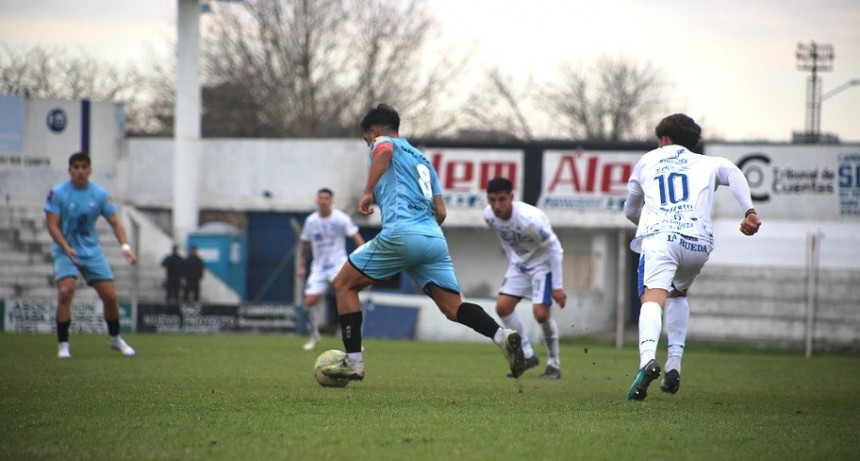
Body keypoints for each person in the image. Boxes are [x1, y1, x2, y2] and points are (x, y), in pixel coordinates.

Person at [321, 104, 526, 382]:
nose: (369, 144)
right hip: (433, 239)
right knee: (454, 308)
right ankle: (503, 336)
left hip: (402, 234)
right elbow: (441, 212)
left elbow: (383, 150)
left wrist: (368, 191)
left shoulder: (383, 143)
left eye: (366, 138)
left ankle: (353, 362)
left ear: (375, 130)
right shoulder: (423, 160)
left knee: (343, 284)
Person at [623, 113, 761, 400]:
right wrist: (749, 211)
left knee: (653, 298)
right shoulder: (708, 162)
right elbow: (734, 173)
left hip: (661, 238)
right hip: (698, 243)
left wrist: (648, 222)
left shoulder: (648, 160)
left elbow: (630, 210)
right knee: (678, 295)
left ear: (663, 140)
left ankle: (647, 359)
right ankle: (674, 364)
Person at [44, 152, 137, 359]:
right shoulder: (58, 193)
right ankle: (63, 345)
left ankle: (114, 339)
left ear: (90, 170)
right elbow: (51, 225)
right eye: (76, 167)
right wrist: (66, 247)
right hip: (64, 249)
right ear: (70, 170)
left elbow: (115, 222)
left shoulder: (99, 194)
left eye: (84, 167)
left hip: (90, 251)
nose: (80, 171)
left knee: (110, 296)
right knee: (66, 291)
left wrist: (125, 247)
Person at [484, 177, 567, 379]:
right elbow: (505, 240)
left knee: (540, 314)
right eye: (492, 200)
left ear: (511, 197)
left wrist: (557, 286)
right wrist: (514, 260)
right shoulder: (489, 216)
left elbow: (555, 249)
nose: (497, 205)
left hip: (543, 266)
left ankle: (553, 364)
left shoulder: (530, 220)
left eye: (502, 199)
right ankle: (528, 355)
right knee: (502, 307)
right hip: (520, 265)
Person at [297, 188, 365, 351]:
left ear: (331, 201)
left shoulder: (341, 218)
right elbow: (305, 244)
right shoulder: (311, 221)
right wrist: (302, 265)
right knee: (309, 303)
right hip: (319, 267)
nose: (323, 201)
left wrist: (364, 260)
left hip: (338, 265)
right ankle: (314, 336)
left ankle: (355, 339)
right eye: (321, 198)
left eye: (326, 198)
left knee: (348, 299)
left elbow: (357, 237)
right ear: (316, 200)